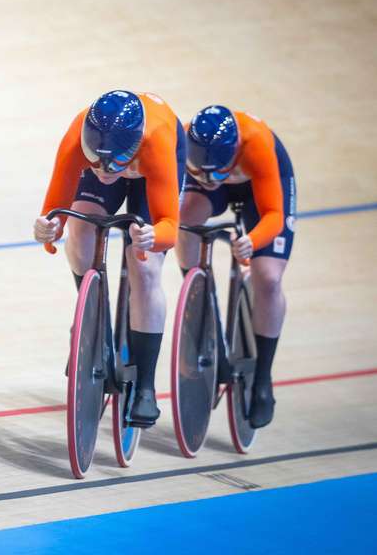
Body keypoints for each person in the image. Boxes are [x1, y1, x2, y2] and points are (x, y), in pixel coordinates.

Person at [34, 90, 186, 427]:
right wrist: (48, 229)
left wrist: (153, 236)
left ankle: (145, 385)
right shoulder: (79, 136)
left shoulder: (157, 141)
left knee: (144, 266)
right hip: (120, 156)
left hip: (153, 172)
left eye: (114, 163)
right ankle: (91, 319)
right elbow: (55, 211)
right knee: (81, 226)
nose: (103, 170)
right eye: (95, 159)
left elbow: (170, 228)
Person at [177, 105, 295, 428]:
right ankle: (199, 300)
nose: (208, 180)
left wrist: (253, 240)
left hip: (261, 186)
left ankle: (263, 378)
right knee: (185, 219)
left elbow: (273, 214)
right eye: (199, 171)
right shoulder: (187, 139)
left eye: (216, 173)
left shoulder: (256, 144)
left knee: (267, 278)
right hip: (217, 166)